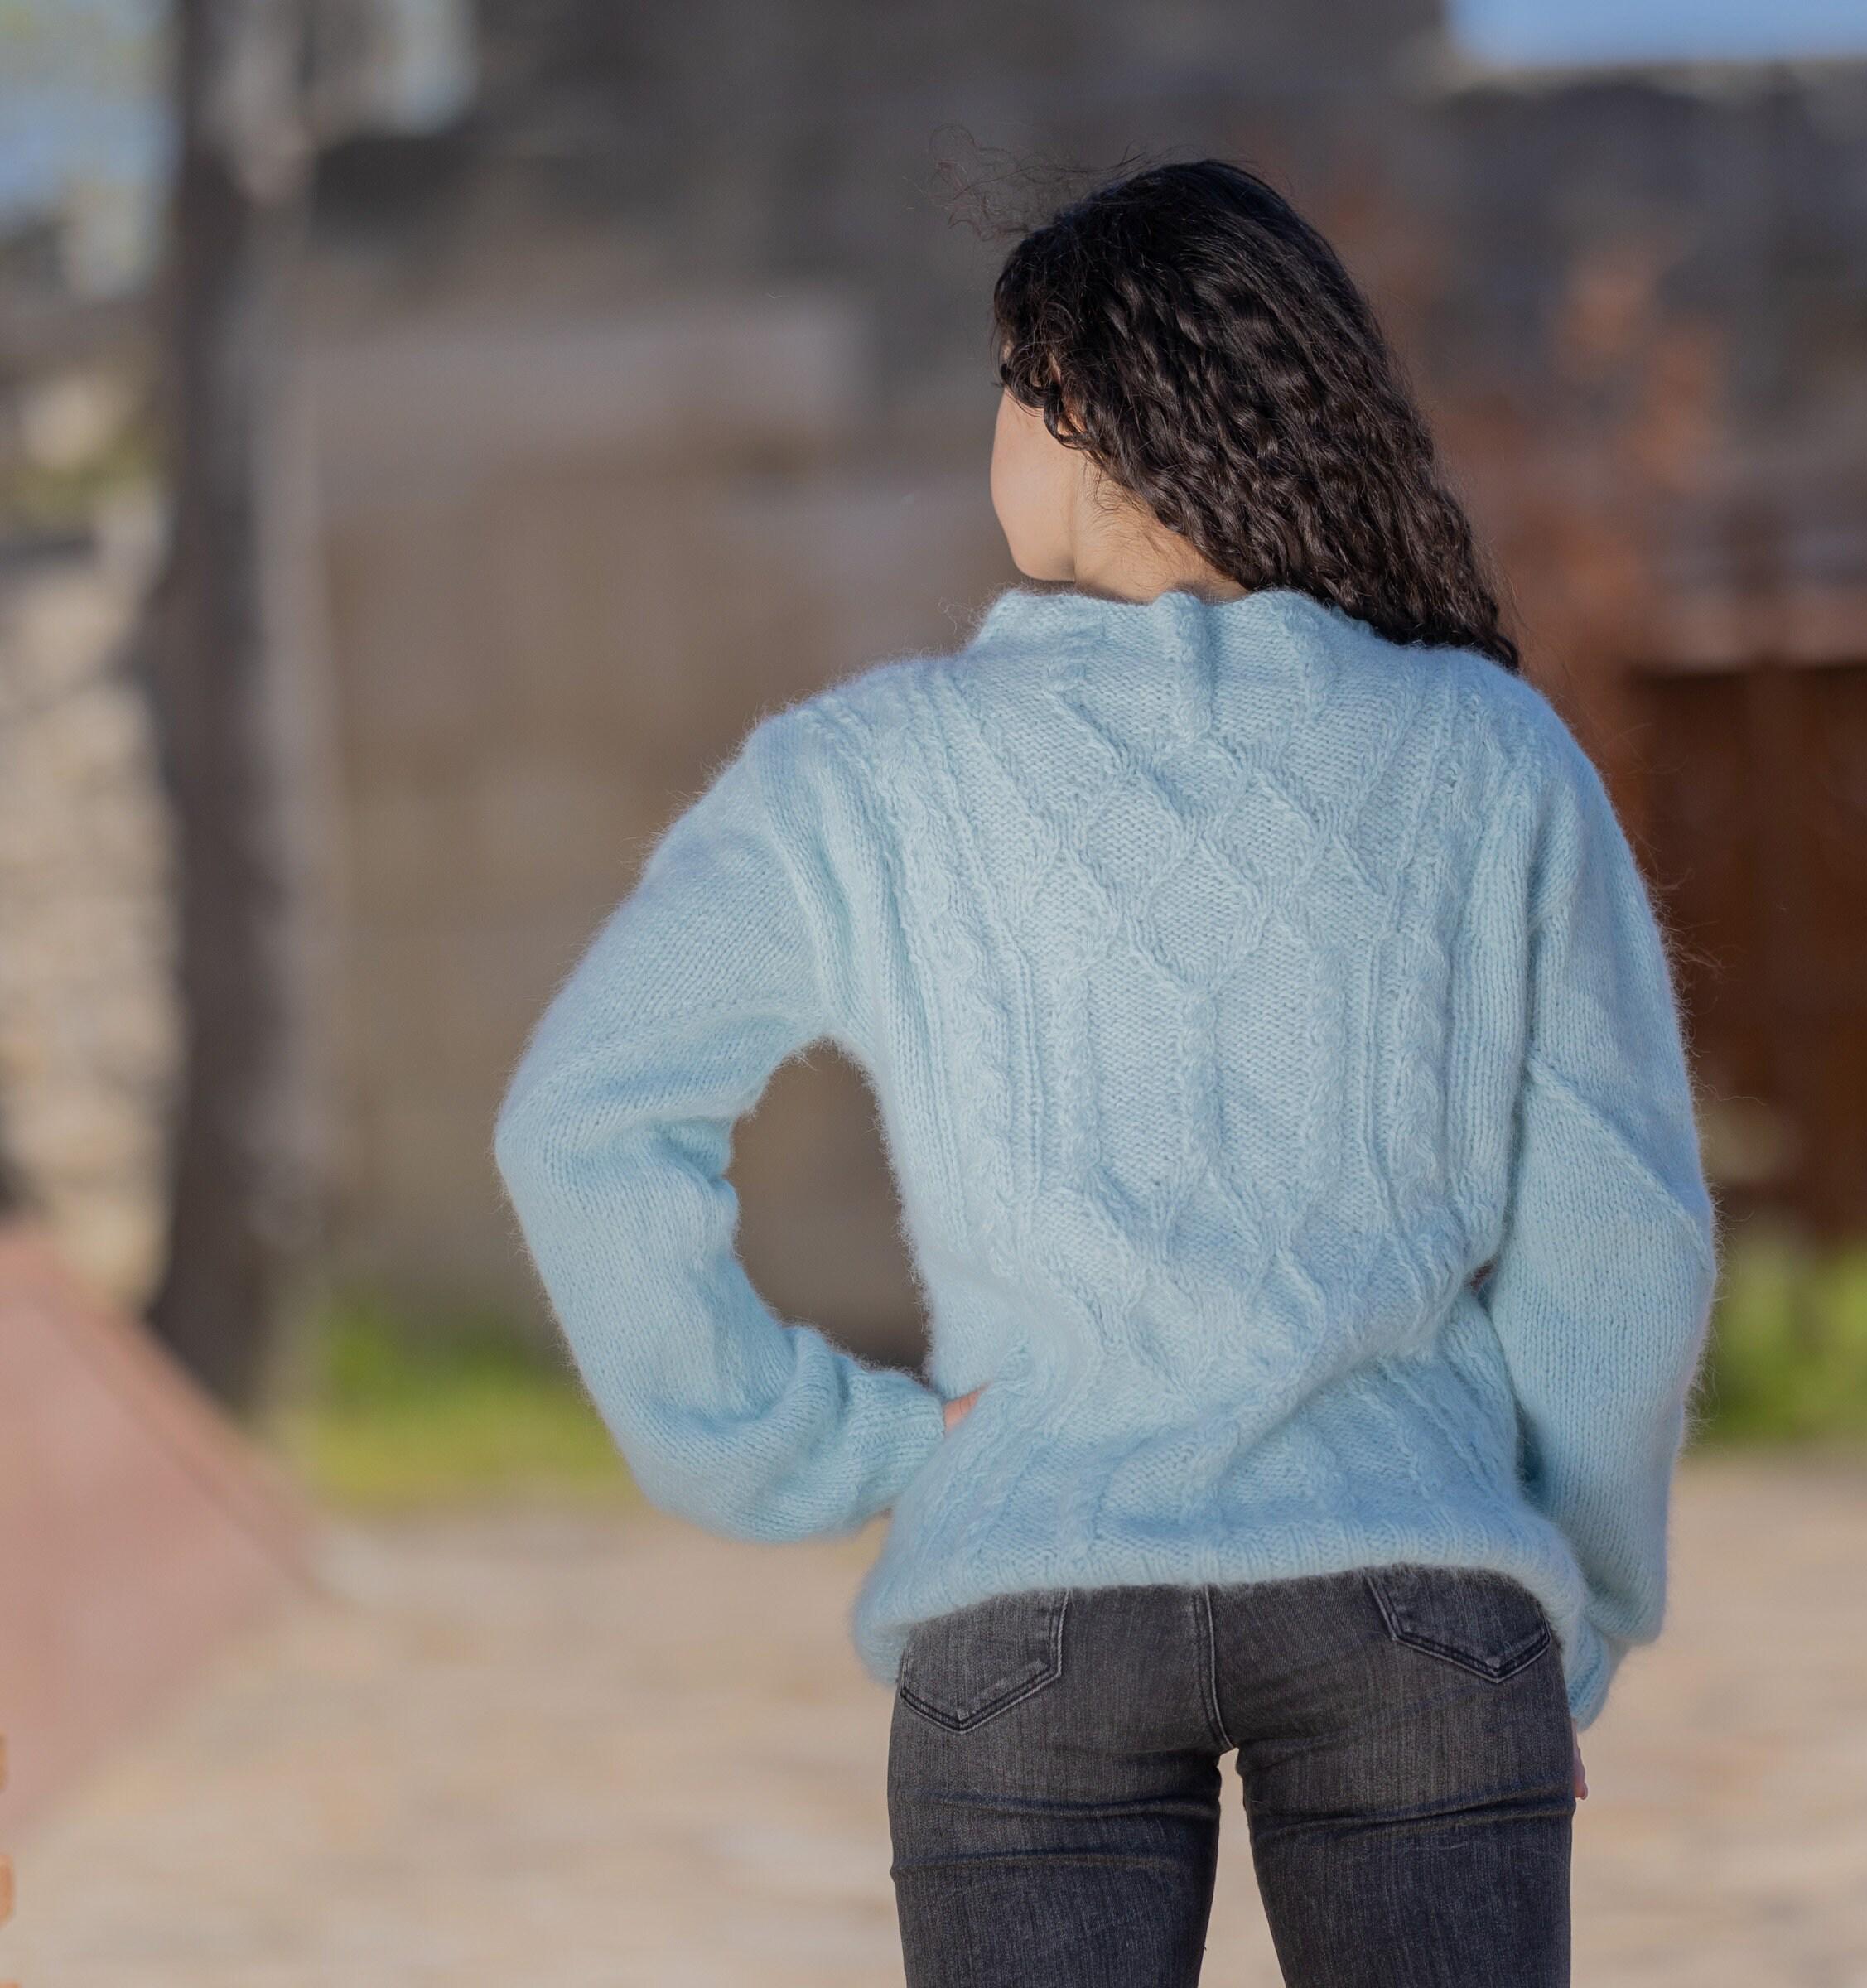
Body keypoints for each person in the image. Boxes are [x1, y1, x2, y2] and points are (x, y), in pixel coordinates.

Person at [493, 157, 1716, 1988]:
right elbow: (1622, 1232)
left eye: (1006, 386)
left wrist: (818, 1448)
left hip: (1029, 1606)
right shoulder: (1492, 758)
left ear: (1073, 406)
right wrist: (1577, 1608)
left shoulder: (869, 776)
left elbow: (582, 1121)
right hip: (1421, 1606)